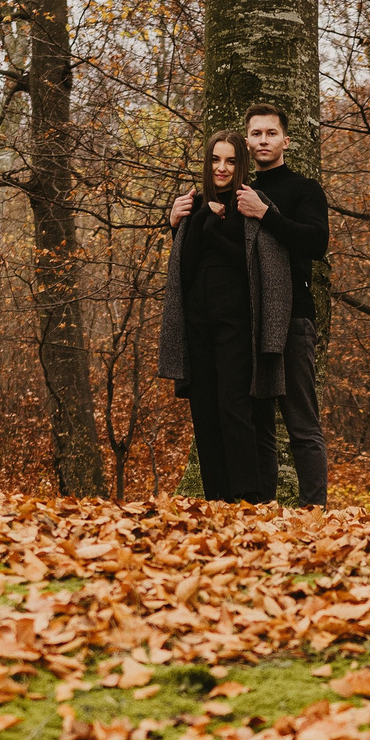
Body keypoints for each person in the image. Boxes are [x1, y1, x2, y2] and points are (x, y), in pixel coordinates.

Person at [159, 132, 293, 502]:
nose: (222, 168)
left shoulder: (250, 203)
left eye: (231, 161)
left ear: (242, 165)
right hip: (196, 324)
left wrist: (213, 227)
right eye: (216, 160)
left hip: (238, 323)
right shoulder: (193, 204)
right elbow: (182, 271)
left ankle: (248, 497)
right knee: (204, 410)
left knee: (234, 407)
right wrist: (180, 225)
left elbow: (257, 264)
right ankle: (217, 496)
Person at [235, 104, 329, 507]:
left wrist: (265, 213)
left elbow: (316, 242)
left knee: (302, 425)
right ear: (246, 141)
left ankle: (316, 514)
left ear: (285, 141)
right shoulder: (236, 190)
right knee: (258, 426)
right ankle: (263, 513)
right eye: (256, 134)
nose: (263, 141)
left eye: (270, 133)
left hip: (293, 319)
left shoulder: (304, 189)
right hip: (248, 322)